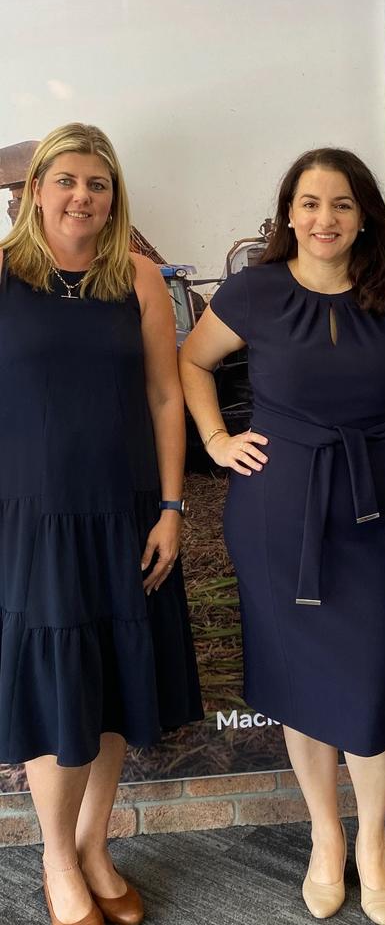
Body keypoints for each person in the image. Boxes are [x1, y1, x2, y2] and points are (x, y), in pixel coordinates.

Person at [180, 147, 385, 923]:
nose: (324, 219)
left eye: (341, 203)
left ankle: (374, 838)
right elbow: (192, 361)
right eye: (309, 203)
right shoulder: (255, 290)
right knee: (300, 684)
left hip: (374, 509)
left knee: (371, 684)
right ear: (289, 213)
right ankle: (324, 836)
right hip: (275, 511)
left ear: (364, 213)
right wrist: (214, 440)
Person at [0, 123, 203, 925]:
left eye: (99, 183)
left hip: (126, 513)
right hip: (35, 519)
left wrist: (171, 506)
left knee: (115, 680)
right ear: (35, 190)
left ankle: (93, 844)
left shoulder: (142, 280)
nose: (83, 195)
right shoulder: (3, 277)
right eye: (68, 180)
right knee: (59, 691)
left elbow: (164, 397)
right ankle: (55, 856)